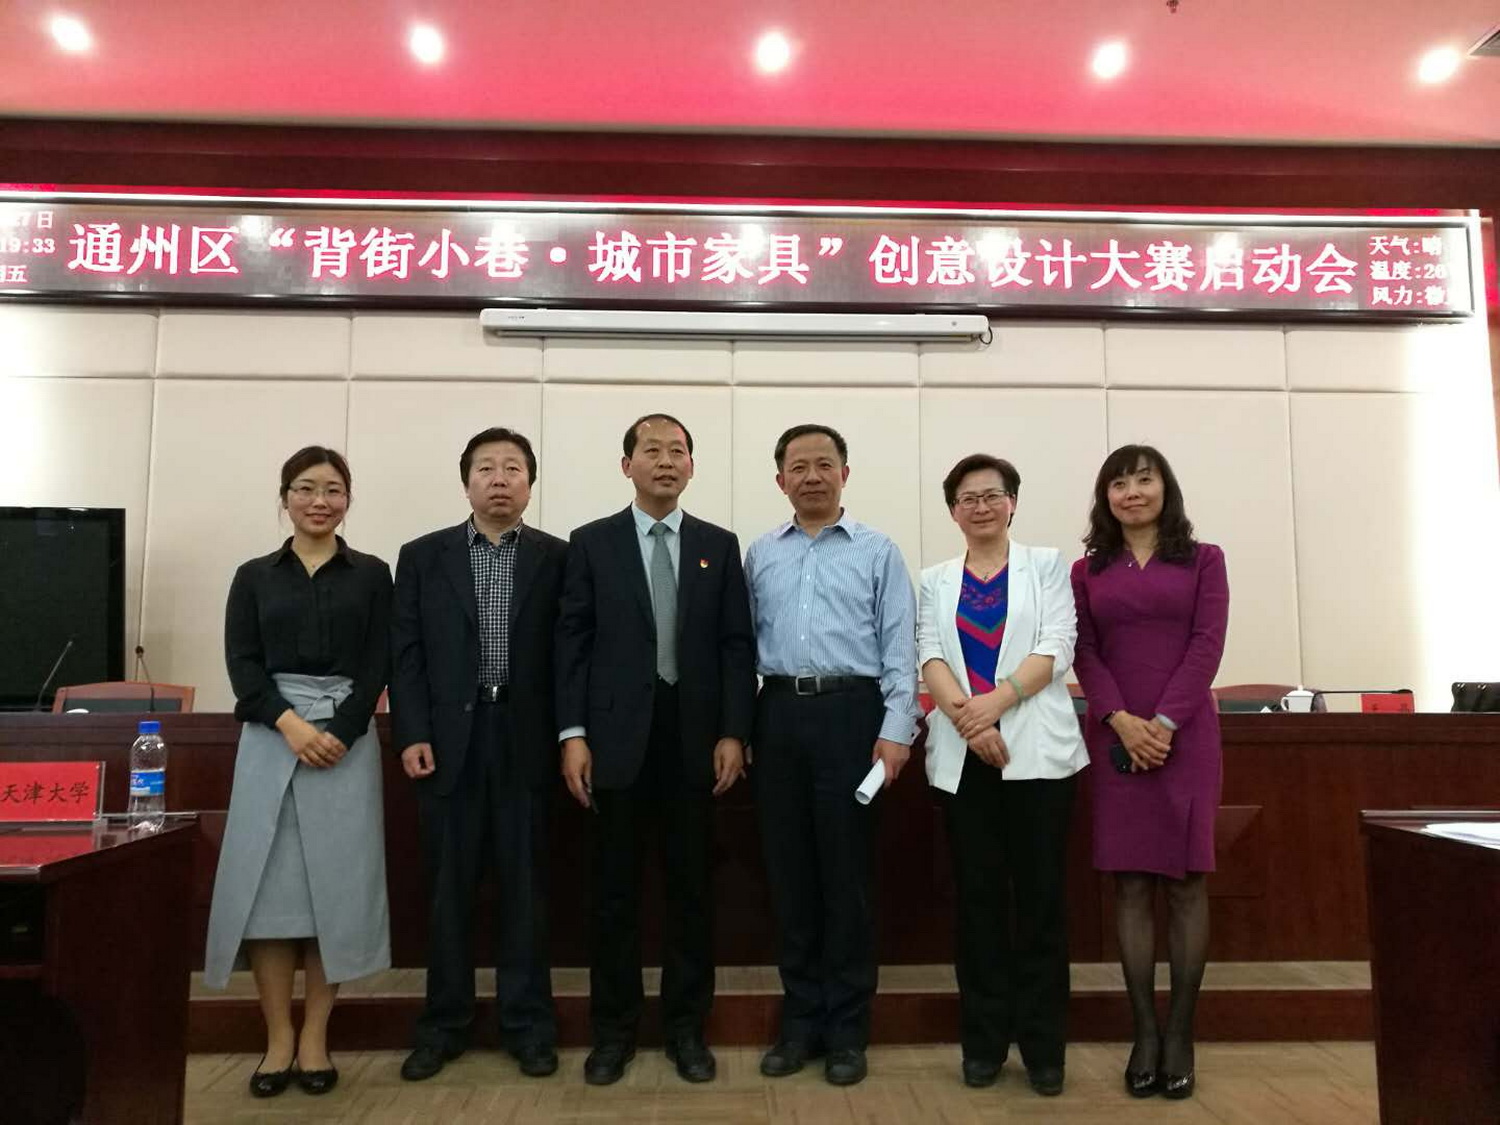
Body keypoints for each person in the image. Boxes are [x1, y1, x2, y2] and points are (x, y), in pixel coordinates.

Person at [555, 413, 756, 1086]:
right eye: (652, 450)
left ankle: (685, 1029)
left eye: (677, 451)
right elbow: (572, 645)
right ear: (627, 465)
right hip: (614, 742)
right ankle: (613, 1031)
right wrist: (573, 734)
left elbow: (736, 645)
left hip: (694, 739)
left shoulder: (718, 545)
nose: (665, 461)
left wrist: (734, 731)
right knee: (613, 895)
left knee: (691, 892)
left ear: (692, 466)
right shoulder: (591, 542)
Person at [205, 446, 392, 1098]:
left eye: (333, 489)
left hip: (347, 742)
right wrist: (291, 725)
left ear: (348, 499)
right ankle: (277, 1038)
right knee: (270, 895)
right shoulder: (254, 575)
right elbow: (242, 663)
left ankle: (315, 1035)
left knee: (333, 892)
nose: (320, 500)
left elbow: (380, 660)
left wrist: (340, 730)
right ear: (284, 497)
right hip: (271, 738)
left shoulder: (373, 574)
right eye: (306, 488)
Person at [390, 427, 568, 1082]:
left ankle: (529, 1025)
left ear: (530, 483)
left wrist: (569, 737)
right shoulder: (422, 556)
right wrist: (412, 731)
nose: (499, 479)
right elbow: (406, 653)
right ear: (466, 482)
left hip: (527, 740)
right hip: (447, 744)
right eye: (486, 468)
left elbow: (570, 656)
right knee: (448, 892)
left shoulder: (558, 557)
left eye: (513, 468)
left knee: (527, 891)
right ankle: (443, 1025)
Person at [743, 423, 918, 1087]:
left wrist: (897, 729)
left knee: (846, 879)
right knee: (789, 878)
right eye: (799, 466)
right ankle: (800, 1023)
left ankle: (847, 1029)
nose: (812, 475)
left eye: (824, 464)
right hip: (779, 716)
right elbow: (740, 646)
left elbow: (899, 647)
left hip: (854, 717)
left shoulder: (877, 551)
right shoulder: (761, 554)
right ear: (780, 479)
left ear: (845, 473)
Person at [917, 454, 1089, 1098]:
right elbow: (929, 654)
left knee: (1041, 905)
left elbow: (1057, 647)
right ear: (953, 511)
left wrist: (995, 704)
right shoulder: (935, 579)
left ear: (1012, 502)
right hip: (965, 761)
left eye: (993, 495)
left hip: (1038, 759)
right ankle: (984, 1043)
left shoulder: (1046, 565)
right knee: (979, 906)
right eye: (968, 498)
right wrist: (972, 723)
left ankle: (1044, 1048)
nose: (981, 506)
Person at [1070, 444, 1229, 1101]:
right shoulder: (1087, 569)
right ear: (1105, 496)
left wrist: (1162, 722)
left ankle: (1181, 1034)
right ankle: (1144, 1032)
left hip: (1184, 736)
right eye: (1119, 483)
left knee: (1187, 883)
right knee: (1130, 885)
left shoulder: (1204, 559)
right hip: (1115, 735)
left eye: (1144, 479)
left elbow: (1207, 644)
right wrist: (1121, 721)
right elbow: (1084, 650)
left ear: (1166, 488)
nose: (1132, 492)